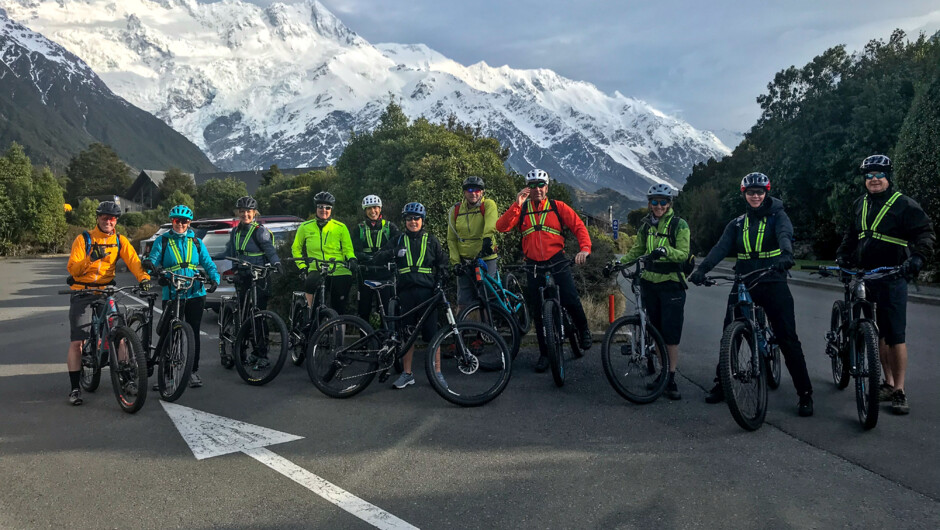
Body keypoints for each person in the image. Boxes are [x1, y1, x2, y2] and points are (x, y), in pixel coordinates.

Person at [688, 172, 814, 417]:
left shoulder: (778, 216)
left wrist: (786, 255)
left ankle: (805, 393)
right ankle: (723, 383)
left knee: (787, 337)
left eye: (759, 192)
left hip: (773, 279)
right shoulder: (737, 223)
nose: (755, 196)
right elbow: (720, 248)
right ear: (743, 194)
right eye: (750, 192)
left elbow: (785, 236)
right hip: (744, 281)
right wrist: (701, 270)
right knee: (730, 334)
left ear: (766, 193)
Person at [835, 154, 935, 415]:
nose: (874, 179)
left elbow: (925, 232)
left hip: (893, 276)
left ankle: (900, 390)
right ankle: (887, 383)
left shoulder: (904, 205)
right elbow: (851, 234)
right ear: (864, 180)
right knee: (876, 333)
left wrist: (918, 257)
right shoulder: (860, 204)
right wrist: (843, 255)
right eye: (869, 176)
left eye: (879, 174)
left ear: (889, 177)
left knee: (895, 335)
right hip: (867, 277)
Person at [495, 168, 593, 373]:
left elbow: (579, 227)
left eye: (541, 185)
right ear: (527, 189)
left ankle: (583, 330)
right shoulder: (521, 209)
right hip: (533, 263)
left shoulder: (558, 207)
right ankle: (544, 354)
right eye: (532, 186)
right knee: (539, 311)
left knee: (570, 297)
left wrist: (584, 249)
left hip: (557, 259)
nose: (537, 189)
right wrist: (516, 204)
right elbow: (501, 227)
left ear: (547, 188)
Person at [65, 201, 151, 405]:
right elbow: (73, 269)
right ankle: (75, 388)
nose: (108, 221)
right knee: (78, 342)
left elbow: (134, 262)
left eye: (112, 218)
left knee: (120, 335)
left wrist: (144, 279)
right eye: (104, 217)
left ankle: (127, 379)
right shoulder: (84, 239)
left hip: (106, 291)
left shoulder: (120, 241)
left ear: (116, 221)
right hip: (82, 291)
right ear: (98, 218)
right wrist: (90, 259)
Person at [616, 184, 689, 400]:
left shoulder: (679, 224)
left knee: (670, 335)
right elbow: (637, 250)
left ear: (669, 204)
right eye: (655, 202)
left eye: (663, 202)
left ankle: (672, 378)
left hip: (672, 284)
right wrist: (618, 264)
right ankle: (663, 374)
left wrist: (666, 251)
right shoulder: (646, 225)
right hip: (650, 283)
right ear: (649, 203)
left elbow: (683, 253)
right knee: (656, 332)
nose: (659, 206)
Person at [373, 202, 449, 389]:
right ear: (405, 221)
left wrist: (440, 282)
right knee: (407, 336)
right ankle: (407, 374)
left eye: (416, 218)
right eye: (409, 219)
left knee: (433, 335)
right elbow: (378, 257)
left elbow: (443, 264)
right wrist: (393, 253)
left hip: (427, 294)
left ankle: (437, 373)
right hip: (406, 293)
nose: (413, 222)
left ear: (422, 220)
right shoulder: (398, 239)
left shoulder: (431, 240)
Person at [145, 205, 221, 389]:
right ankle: (167, 374)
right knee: (170, 333)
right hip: (172, 292)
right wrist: (153, 270)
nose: (181, 224)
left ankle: (192, 372)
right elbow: (152, 262)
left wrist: (215, 278)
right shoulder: (162, 241)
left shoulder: (195, 241)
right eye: (177, 221)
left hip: (195, 292)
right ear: (172, 221)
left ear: (189, 223)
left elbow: (207, 262)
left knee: (193, 332)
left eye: (185, 221)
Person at [291, 191, 357, 314]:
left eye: (327, 207)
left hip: (338, 270)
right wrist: (302, 267)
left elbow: (348, 249)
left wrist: (352, 259)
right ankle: (310, 319)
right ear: (316, 208)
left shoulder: (340, 227)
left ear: (331, 209)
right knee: (312, 292)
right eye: (320, 207)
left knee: (339, 309)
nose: (324, 210)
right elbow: (296, 249)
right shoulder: (305, 227)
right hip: (316, 269)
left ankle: (339, 332)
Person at [447, 176, 499, 314]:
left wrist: (487, 239)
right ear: (464, 192)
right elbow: (451, 239)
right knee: (463, 299)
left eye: (477, 190)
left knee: (487, 295)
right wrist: (456, 262)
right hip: (465, 261)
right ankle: (465, 331)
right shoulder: (456, 210)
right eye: (469, 189)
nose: (473, 193)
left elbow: (491, 222)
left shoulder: (488, 204)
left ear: (482, 192)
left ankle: (490, 330)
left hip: (485, 257)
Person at [223, 196, 282, 313]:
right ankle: (240, 328)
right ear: (238, 213)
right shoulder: (235, 231)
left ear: (254, 213)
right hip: (242, 272)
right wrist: (234, 268)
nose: (245, 214)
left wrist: (276, 263)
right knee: (241, 307)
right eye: (242, 211)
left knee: (260, 309)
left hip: (259, 274)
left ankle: (260, 330)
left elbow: (270, 250)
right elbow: (232, 251)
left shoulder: (260, 231)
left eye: (248, 211)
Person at [352, 194, 400, 322]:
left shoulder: (390, 227)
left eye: (375, 208)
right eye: (369, 209)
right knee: (364, 310)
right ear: (365, 211)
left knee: (386, 309)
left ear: (380, 209)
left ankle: (387, 338)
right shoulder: (359, 229)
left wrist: (385, 256)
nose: (372, 211)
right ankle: (364, 339)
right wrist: (365, 257)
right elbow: (354, 250)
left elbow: (398, 246)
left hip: (385, 273)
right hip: (365, 274)